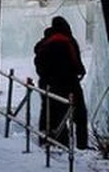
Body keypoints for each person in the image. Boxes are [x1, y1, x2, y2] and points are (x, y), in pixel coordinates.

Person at [33, 16, 89, 149]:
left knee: (50, 112)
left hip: (48, 83)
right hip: (70, 83)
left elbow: (38, 62)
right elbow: (77, 64)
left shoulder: (45, 42)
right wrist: (80, 71)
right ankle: (81, 145)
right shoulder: (69, 41)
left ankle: (48, 141)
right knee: (79, 115)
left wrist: (45, 77)